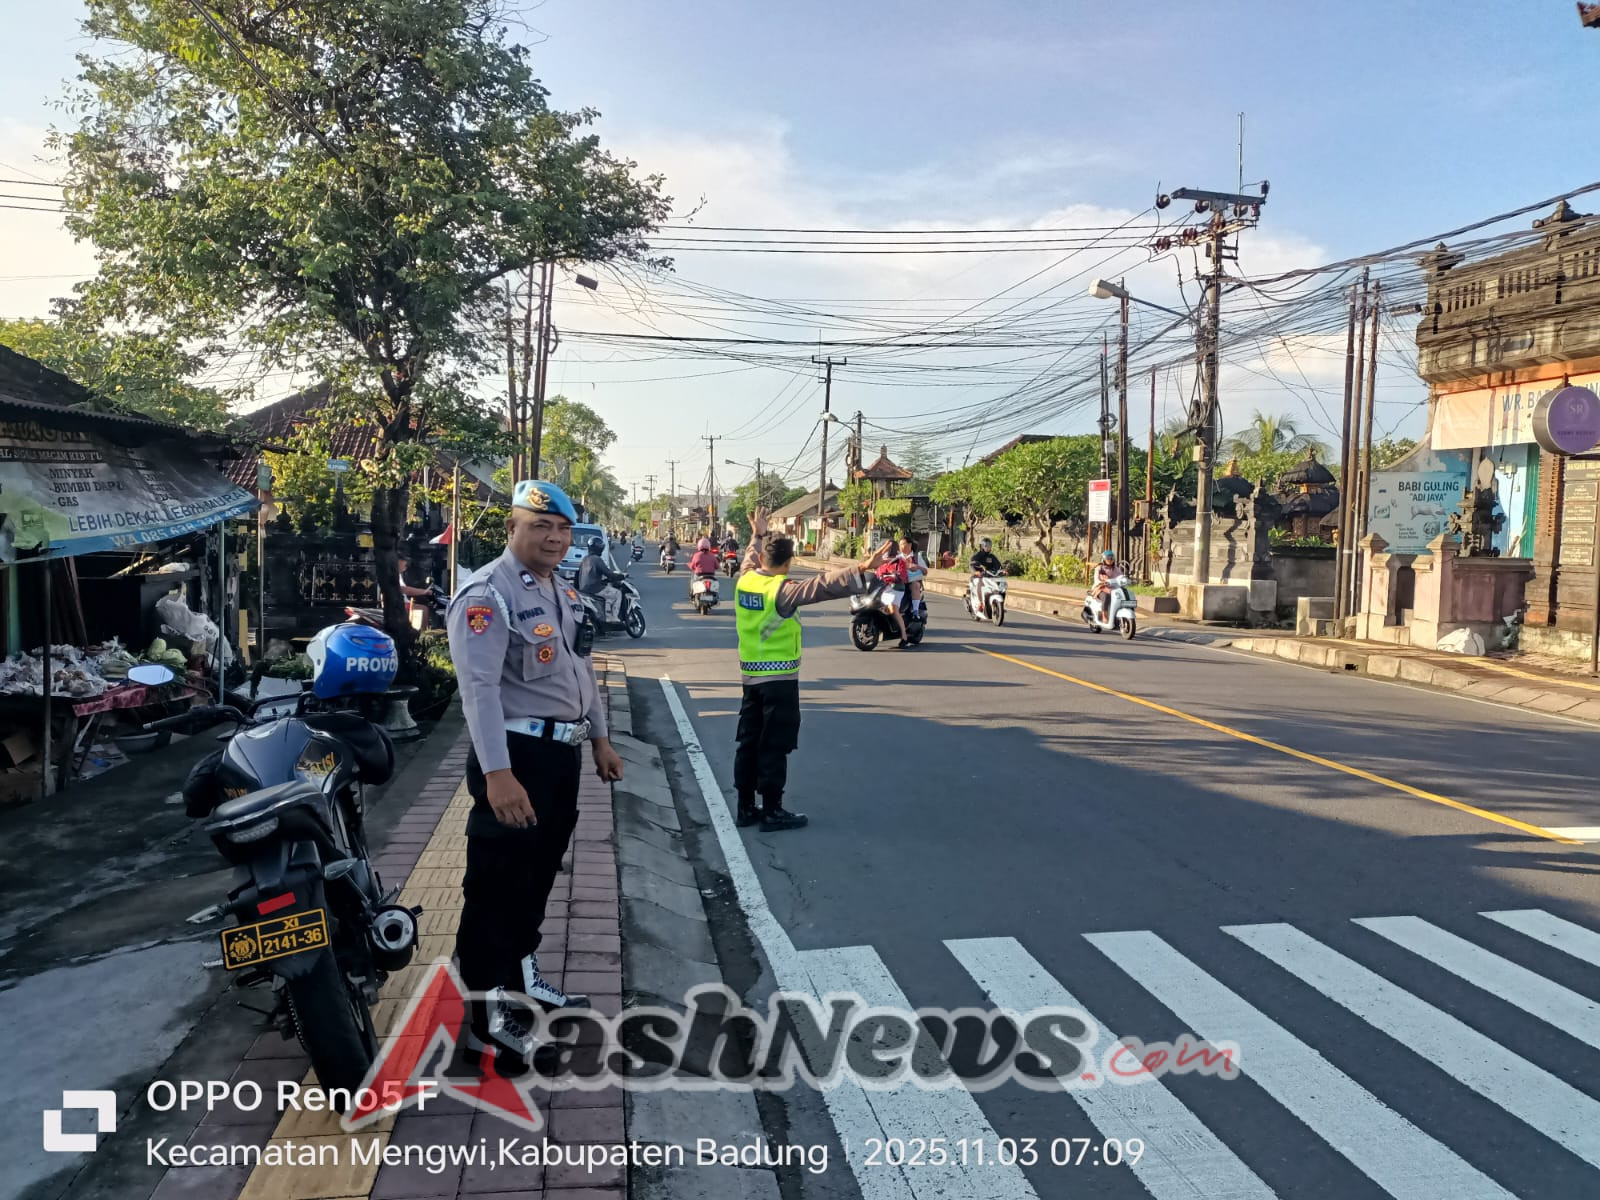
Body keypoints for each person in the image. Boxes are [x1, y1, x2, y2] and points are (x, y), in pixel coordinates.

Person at [445, 480, 624, 1071]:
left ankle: (521, 979)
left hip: (559, 758)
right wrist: (497, 774)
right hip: (514, 759)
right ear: (512, 530)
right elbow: (478, 692)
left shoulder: (561, 592)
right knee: (494, 888)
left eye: (562, 529)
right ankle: (482, 1024)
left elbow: (582, 671)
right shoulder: (485, 595)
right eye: (540, 526)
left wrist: (599, 738)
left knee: (535, 879)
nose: (553, 538)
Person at [735, 507, 892, 831]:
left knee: (749, 742)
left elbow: (750, 556)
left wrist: (758, 533)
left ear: (764, 557)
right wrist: (862, 567)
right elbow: (823, 585)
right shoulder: (783, 590)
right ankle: (773, 811)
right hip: (779, 680)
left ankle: (746, 807)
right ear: (788, 562)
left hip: (750, 679)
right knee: (774, 744)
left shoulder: (747, 579)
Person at [577, 536, 628, 622]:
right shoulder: (597, 560)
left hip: (583, 589)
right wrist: (622, 576)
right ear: (599, 549)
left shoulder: (585, 559)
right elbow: (609, 574)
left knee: (608, 591)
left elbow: (579, 575)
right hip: (594, 589)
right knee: (617, 593)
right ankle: (613, 617)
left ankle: (607, 614)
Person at [874, 547, 914, 648]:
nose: (886, 557)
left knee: (893, 609)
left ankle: (904, 637)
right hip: (884, 588)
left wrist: (896, 575)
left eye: (888, 554)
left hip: (896, 588)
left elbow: (902, 576)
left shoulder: (899, 562)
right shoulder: (881, 564)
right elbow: (876, 575)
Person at [969, 538, 1003, 611]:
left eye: (989, 545)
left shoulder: (992, 557)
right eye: (986, 546)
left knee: (999, 585)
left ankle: (999, 605)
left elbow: (998, 565)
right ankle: (981, 603)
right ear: (982, 546)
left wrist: (1002, 570)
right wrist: (976, 571)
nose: (988, 547)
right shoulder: (978, 555)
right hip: (979, 576)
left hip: (989, 576)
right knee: (980, 583)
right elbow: (972, 564)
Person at [899, 538, 929, 620]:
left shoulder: (916, 557)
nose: (901, 546)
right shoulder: (897, 557)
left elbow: (925, 571)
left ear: (909, 545)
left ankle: (915, 611)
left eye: (903, 544)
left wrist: (916, 567)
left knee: (915, 585)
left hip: (911, 582)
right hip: (898, 581)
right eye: (900, 544)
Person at [1092, 549, 1119, 620]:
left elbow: (1120, 577)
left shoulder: (1116, 569)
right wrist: (1102, 582)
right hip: (1101, 588)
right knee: (1106, 596)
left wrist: (1126, 580)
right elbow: (1096, 579)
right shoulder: (1099, 568)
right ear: (1104, 559)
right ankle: (1104, 615)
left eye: (1111, 558)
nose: (1110, 560)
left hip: (1113, 589)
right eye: (1108, 558)